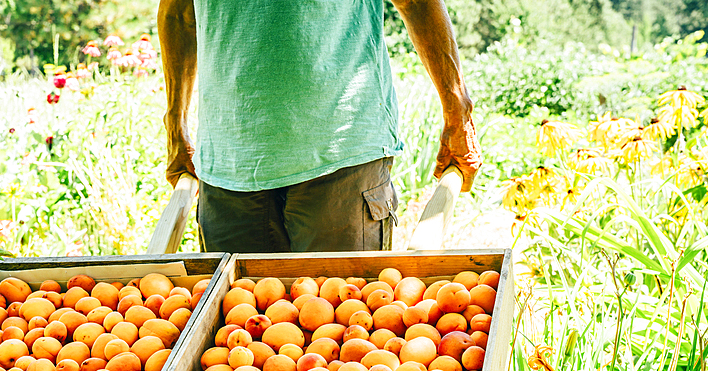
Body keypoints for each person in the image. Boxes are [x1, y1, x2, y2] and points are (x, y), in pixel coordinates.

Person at [158, 0, 483, 253]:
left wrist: (458, 109)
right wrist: (175, 123)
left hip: (341, 155)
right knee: (239, 332)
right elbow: (180, 13)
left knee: (344, 328)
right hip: (229, 165)